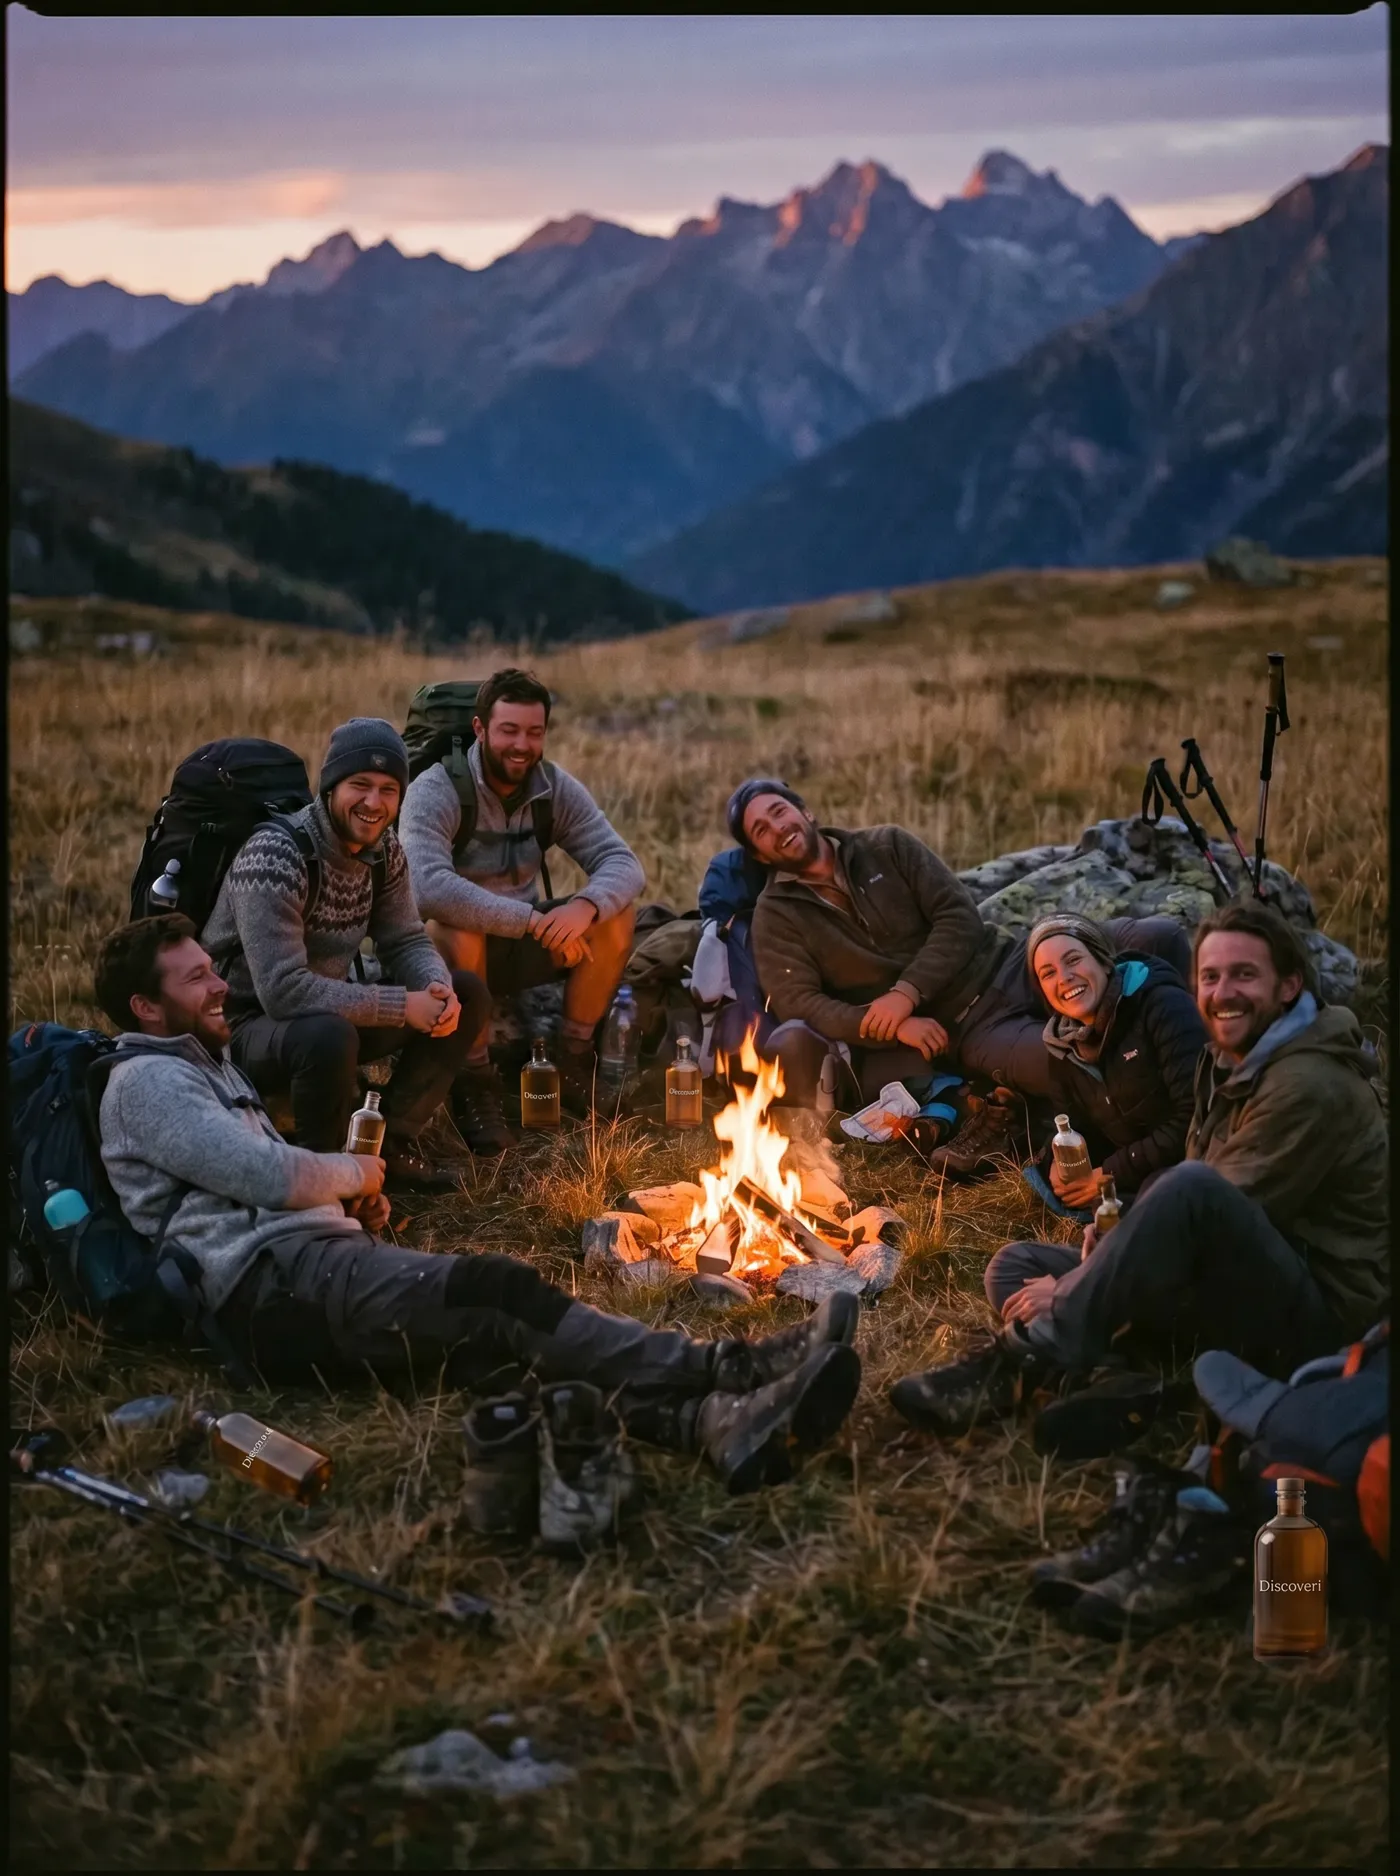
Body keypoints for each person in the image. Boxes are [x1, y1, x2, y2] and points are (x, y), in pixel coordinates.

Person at [90, 915, 863, 1496]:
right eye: (195, 979)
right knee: (500, 1292)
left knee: (503, 1357)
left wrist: (347, 1209)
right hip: (269, 1289)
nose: (219, 984)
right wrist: (354, 1178)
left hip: (309, 1267)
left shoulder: (200, 1063)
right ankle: (729, 1367)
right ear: (145, 1007)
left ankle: (710, 1428)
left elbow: (267, 1186)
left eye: (208, 969)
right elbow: (264, 1177)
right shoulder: (149, 1083)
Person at [890, 900, 1389, 1439]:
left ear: (1289, 986)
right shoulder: (1232, 1060)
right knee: (1015, 1266)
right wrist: (1111, 1233)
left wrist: (1080, 1280)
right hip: (1243, 1270)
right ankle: (1121, 1379)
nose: (1222, 993)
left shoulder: (1307, 1084)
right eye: (1211, 977)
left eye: (1245, 975)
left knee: (1178, 1191)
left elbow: (1215, 1199)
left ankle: (1020, 1361)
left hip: (1317, 1310)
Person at [728, 778, 1192, 1168]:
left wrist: (905, 993)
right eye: (762, 830)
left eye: (779, 811)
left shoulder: (886, 845)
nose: (778, 828)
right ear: (762, 855)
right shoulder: (777, 914)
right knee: (1071, 1064)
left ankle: (1200, 1053)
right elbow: (799, 1002)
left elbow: (959, 917)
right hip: (971, 1025)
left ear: (804, 811)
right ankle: (1178, 1116)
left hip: (1012, 960)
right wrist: (894, 1023)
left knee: (1159, 937)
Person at [201, 718, 488, 1190]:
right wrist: (402, 1007)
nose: (374, 803)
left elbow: (406, 938)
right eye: (360, 785)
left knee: (467, 992)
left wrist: (434, 987)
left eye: (389, 789)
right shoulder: (275, 855)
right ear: (330, 786)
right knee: (329, 1036)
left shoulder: (385, 851)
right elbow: (282, 992)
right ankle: (322, 1177)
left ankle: (385, 1147)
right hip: (241, 1026)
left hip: (327, 1013)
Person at [399, 668, 645, 1145]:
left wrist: (586, 908)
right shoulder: (436, 789)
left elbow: (623, 862)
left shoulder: (551, 788)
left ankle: (573, 1058)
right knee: (457, 927)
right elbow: (427, 887)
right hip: (454, 957)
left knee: (618, 915)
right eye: (508, 730)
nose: (521, 745)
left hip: (523, 947)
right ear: (480, 729)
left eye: (534, 732)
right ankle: (475, 1080)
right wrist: (532, 923)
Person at [1021, 913, 1205, 1218]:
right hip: (1138, 1163)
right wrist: (1058, 1161)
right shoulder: (1063, 1045)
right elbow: (1070, 1120)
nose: (1064, 978)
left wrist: (1108, 1174)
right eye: (1048, 973)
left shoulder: (1162, 1005)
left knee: (1150, 1209)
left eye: (1073, 959)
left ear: (1104, 960)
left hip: (1194, 1159)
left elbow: (1195, 1117)